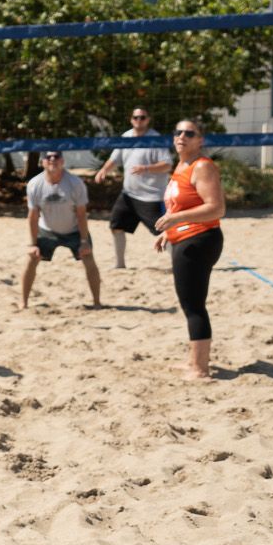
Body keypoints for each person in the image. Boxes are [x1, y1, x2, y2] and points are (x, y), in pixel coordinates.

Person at [155, 117, 226, 380]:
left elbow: (216, 208)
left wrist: (175, 220)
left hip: (201, 239)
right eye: (178, 132)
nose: (182, 136)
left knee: (194, 304)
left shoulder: (202, 166)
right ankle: (194, 361)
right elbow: (181, 206)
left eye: (189, 133)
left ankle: (200, 369)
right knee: (190, 303)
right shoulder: (181, 166)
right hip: (184, 237)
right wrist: (168, 231)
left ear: (200, 140)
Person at [90, 101, 173, 267]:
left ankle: (177, 263)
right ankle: (120, 265)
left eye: (142, 117)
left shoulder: (155, 140)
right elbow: (115, 158)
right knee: (116, 226)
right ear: (131, 120)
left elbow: (167, 165)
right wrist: (103, 170)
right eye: (136, 117)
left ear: (148, 120)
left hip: (150, 197)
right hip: (128, 195)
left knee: (165, 231)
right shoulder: (126, 137)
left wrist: (146, 168)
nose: (139, 120)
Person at [20, 150, 103, 311]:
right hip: (47, 230)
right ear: (42, 162)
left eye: (56, 157)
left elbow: (81, 215)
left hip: (73, 230)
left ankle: (97, 302)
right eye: (48, 157)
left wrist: (84, 241)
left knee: (89, 258)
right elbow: (33, 216)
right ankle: (23, 303)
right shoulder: (35, 184)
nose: (52, 160)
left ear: (62, 161)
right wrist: (32, 243)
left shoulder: (75, 183)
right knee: (31, 259)